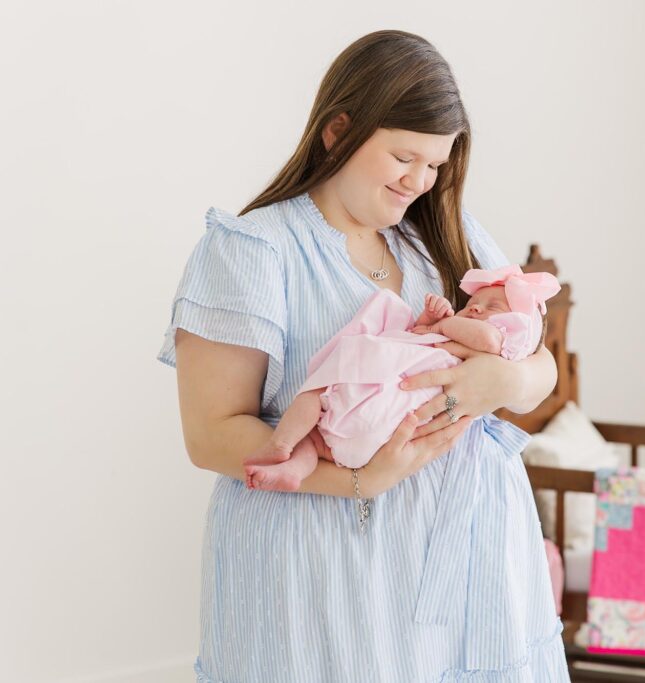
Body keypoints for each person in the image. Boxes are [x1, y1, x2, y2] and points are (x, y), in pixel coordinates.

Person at [156, 29, 571, 682]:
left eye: (436, 164)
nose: (420, 181)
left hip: (475, 569)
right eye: (404, 157)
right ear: (338, 130)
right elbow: (211, 434)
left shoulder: (445, 237)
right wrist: (360, 479)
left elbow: (539, 365)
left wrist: (504, 377)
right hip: (323, 571)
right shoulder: (254, 250)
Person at [242, 265, 561, 495]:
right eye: (472, 303)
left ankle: (282, 444)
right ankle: (289, 461)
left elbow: (497, 346)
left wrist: (442, 327)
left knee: (318, 395)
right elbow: (412, 338)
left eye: (492, 307)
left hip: (388, 421)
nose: (475, 306)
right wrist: (430, 320)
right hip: (372, 436)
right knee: (313, 428)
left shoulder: (496, 341)